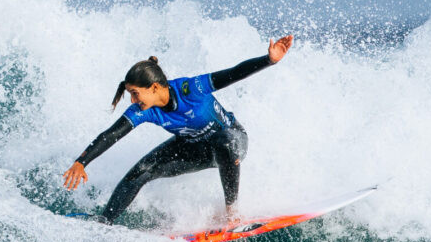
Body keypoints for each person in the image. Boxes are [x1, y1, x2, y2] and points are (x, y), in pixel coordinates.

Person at [63, 35, 293, 224]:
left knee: (224, 141)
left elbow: (233, 73)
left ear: (154, 87)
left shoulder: (189, 89)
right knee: (140, 171)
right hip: (193, 149)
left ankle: (232, 213)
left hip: (232, 141)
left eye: (135, 93)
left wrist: (268, 60)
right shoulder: (144, 110)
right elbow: (112, 134)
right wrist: (81, 162)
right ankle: (105, 220)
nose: (133, 100)